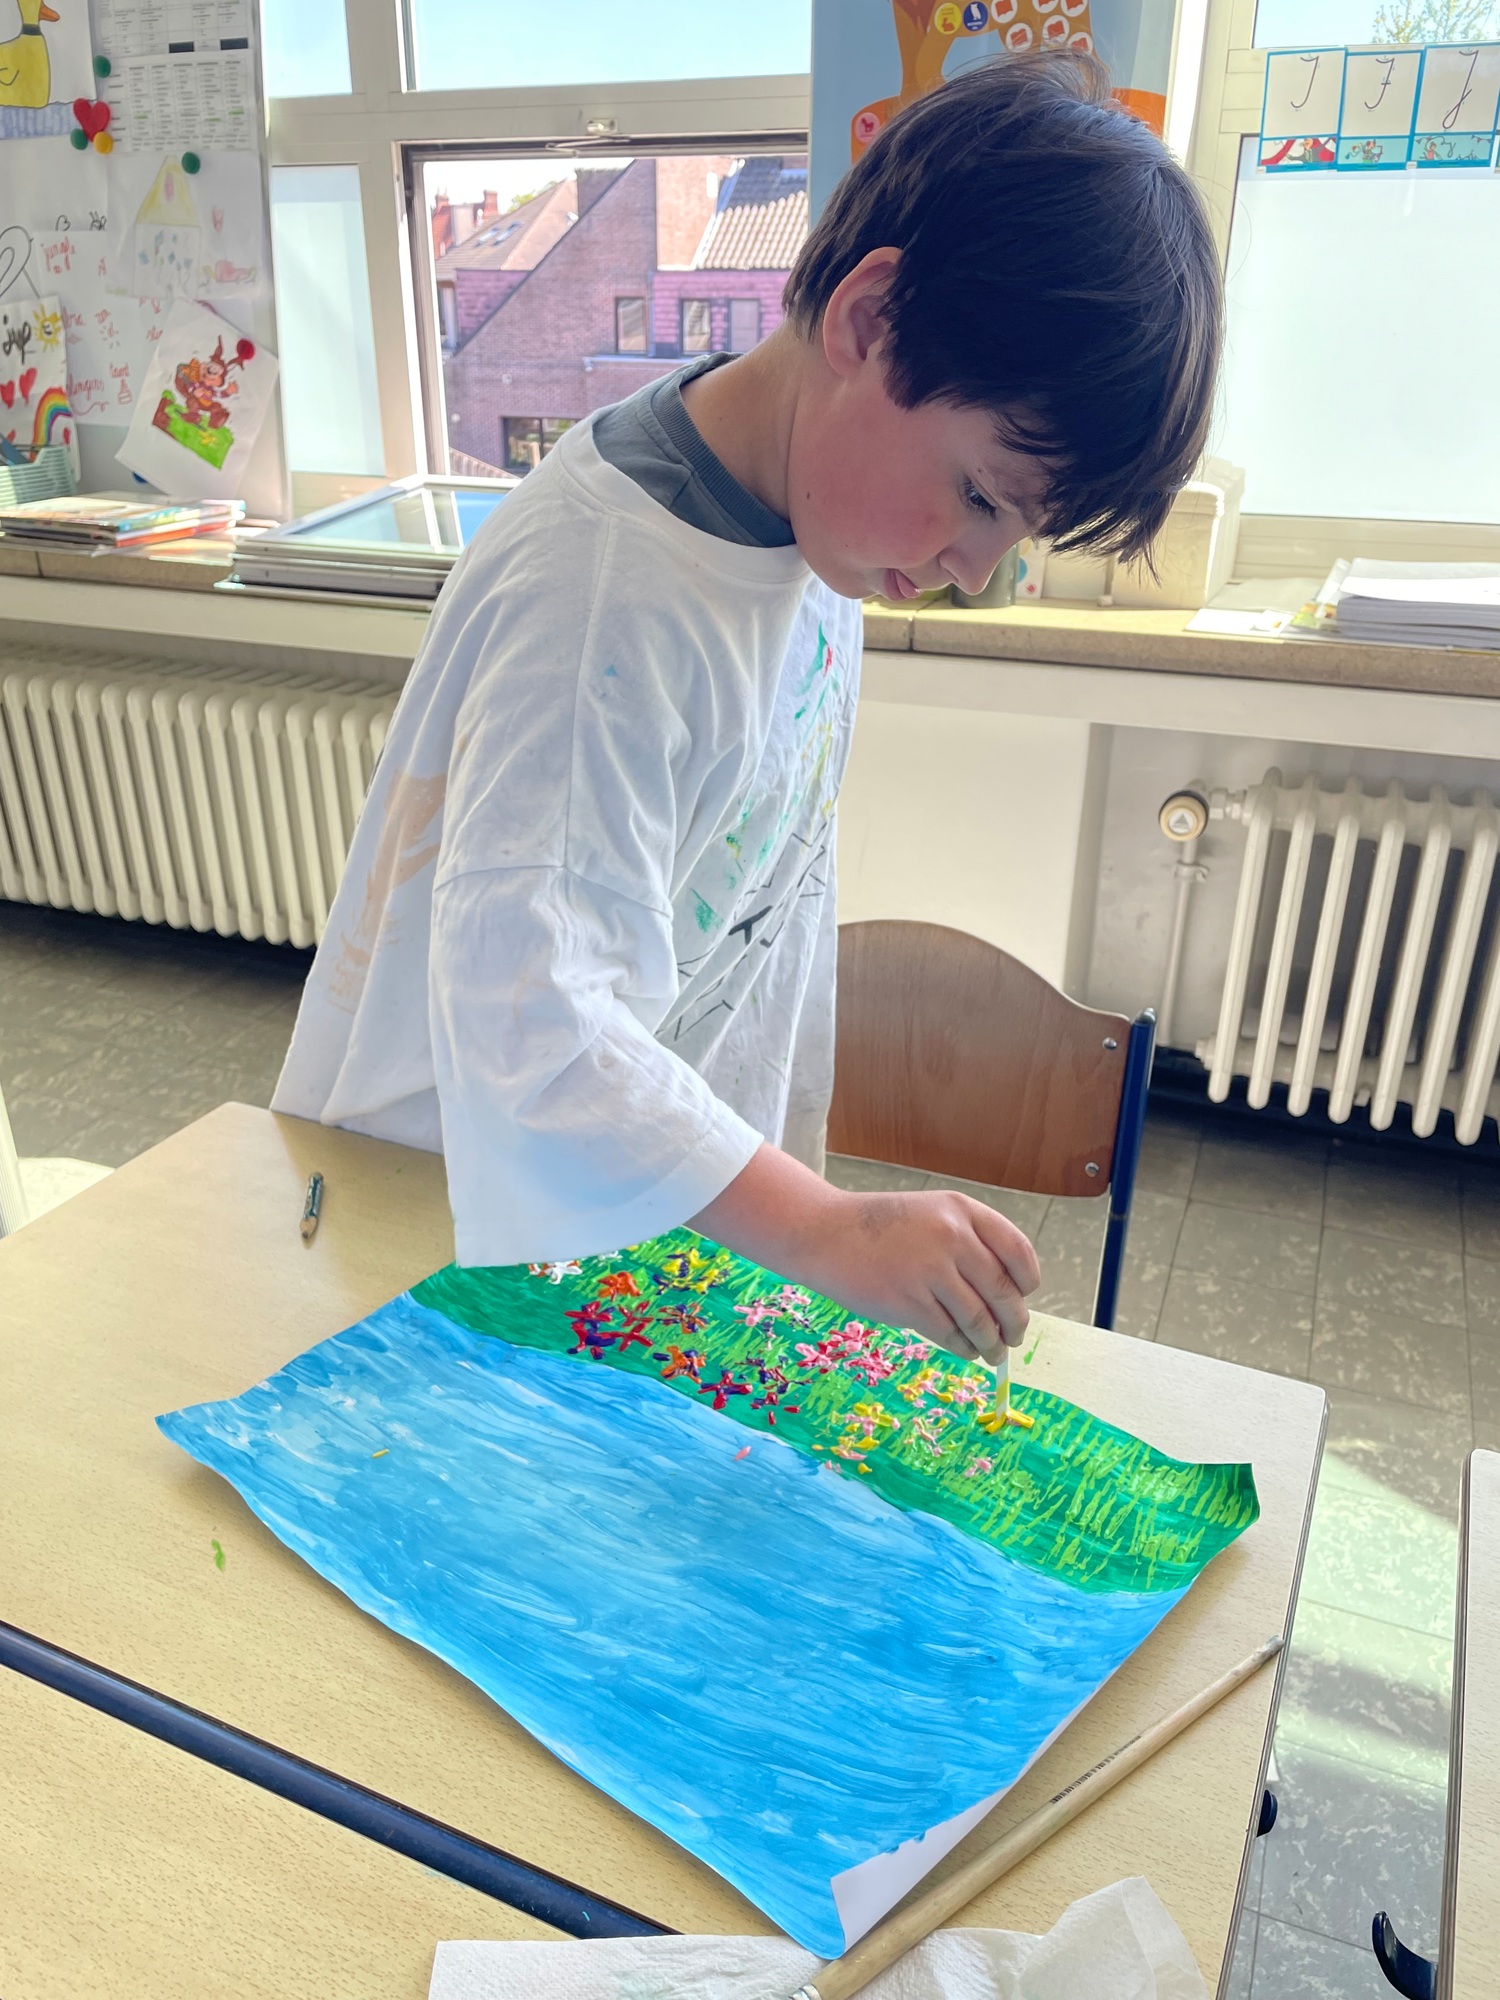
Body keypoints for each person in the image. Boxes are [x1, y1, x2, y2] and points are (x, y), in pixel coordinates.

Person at [273, 50, 1222, 1367]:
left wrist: (788, 1213)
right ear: (870, 321)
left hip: (638, 1236)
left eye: (1016, 532)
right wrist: (822, 1227)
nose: (974, 570)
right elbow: (532, 1024)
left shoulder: (819, 529)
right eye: (980, 497)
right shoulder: (605, 597)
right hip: (439, 1236)